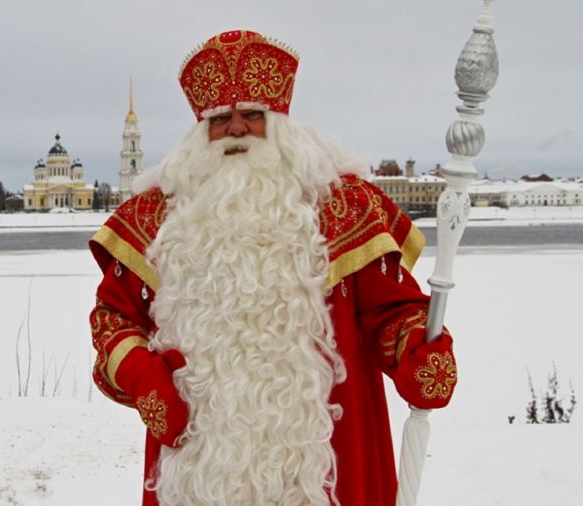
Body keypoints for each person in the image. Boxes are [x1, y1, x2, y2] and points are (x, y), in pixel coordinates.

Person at [88, 29, 457, 506]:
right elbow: (111, 319)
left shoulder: (342, 208)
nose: (236, 129)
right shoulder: (157, 220)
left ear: (279, 122)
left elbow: (391, 313)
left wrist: (417, 349)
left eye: (252, 115)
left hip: (322, 467)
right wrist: (145, 378)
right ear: (201, 130)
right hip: (198, 464)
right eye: (220, 118)